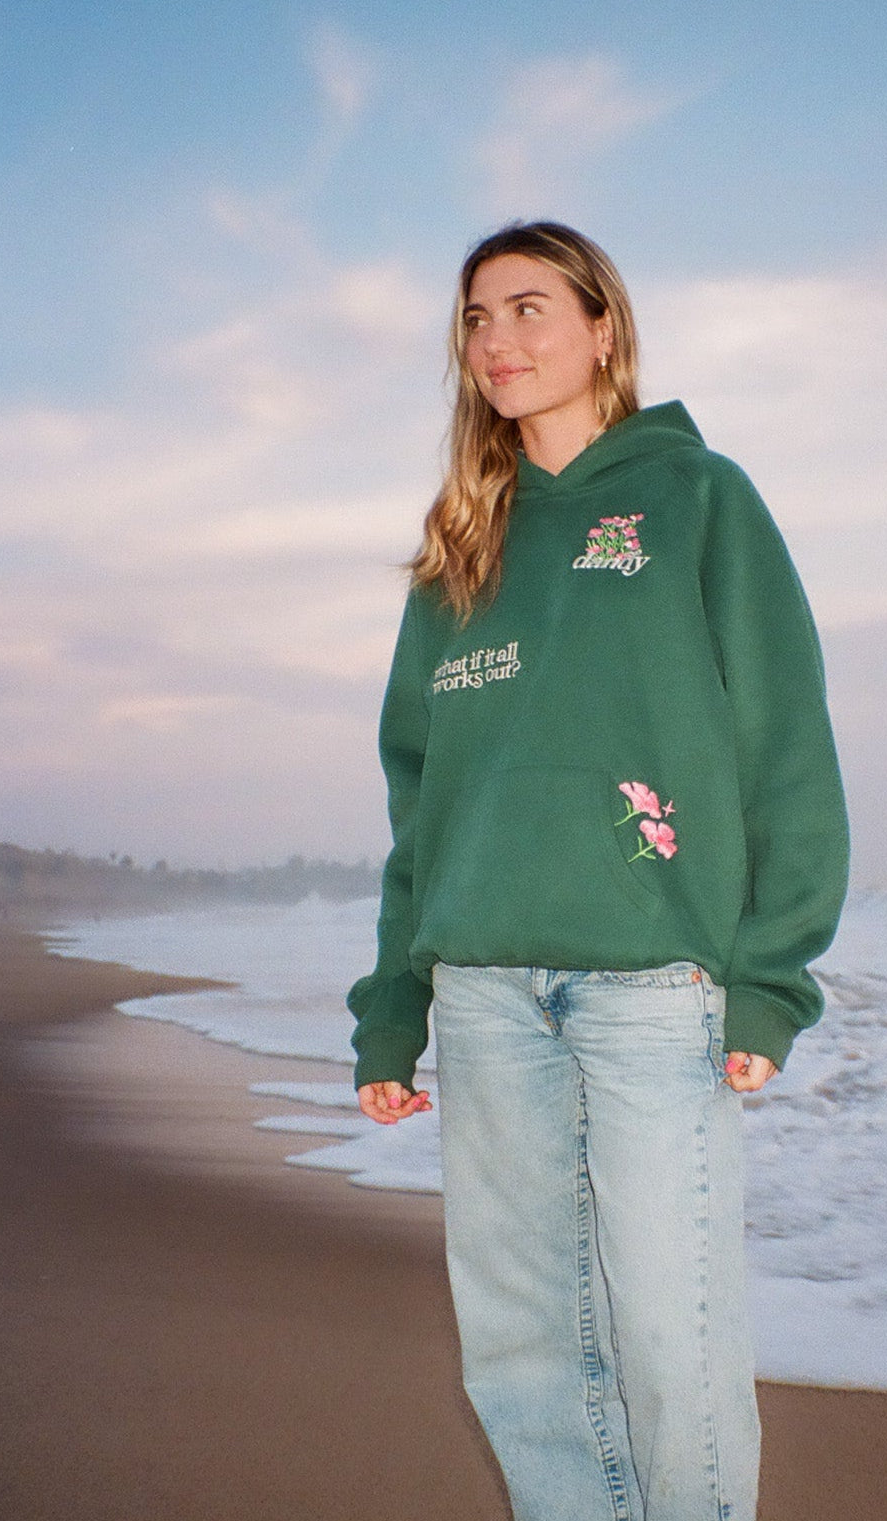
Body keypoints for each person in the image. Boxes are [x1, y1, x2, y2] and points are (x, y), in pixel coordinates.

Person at [348, 221, 848, 1521]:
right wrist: (394, 1006)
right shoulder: (458, 550)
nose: (497, 338)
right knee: (519, 1354)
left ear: (600, 328)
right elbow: (424, 803)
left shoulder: (694, 497)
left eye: (527, 307)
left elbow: (779, 739)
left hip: (650, 991)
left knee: (672, 1350)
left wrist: (768, 976)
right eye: (474, 316)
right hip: (481, 990)